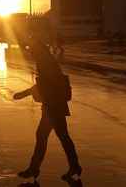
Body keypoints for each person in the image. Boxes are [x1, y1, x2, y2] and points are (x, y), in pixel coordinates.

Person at [14, 40, 81, 181]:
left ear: (38, 50)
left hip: (53, 106)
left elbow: (47, 85)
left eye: (32, 49)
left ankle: (34, 168)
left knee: (44, 136)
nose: (30, 52)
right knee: (61, 137)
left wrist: (24, 93)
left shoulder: (45, 62)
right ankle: (73, 165)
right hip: (54, 105)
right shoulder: (46, 61)